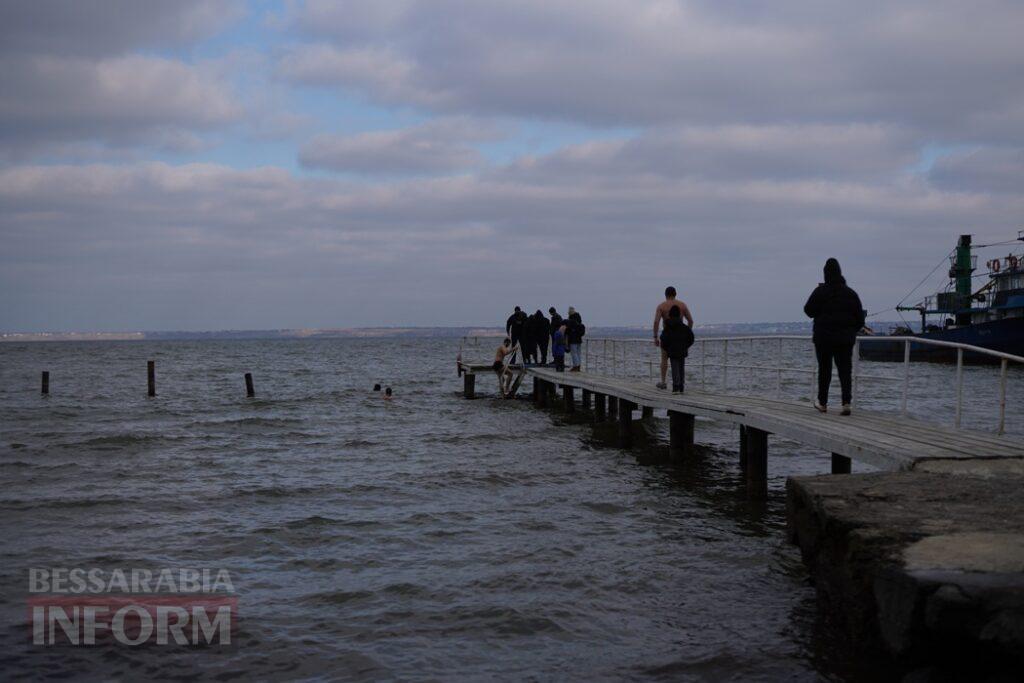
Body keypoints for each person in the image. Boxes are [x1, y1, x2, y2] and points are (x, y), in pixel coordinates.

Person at [803, 258, 866, 415]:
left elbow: (808, 310)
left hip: (823, 338)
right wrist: (850, 330)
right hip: (845, 339)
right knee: (845, 371)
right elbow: (860, 320)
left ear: (825, 274)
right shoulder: (851, 294)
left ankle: (823, 403)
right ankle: (846, 403)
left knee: (825, 370)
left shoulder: (820, 292)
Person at [652, 286, 694, 389]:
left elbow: (656, 321)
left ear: (665, 295)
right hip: (680, 336)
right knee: (680, 360)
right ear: (675, 294)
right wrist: (686, 333)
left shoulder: (661, 306)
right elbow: (690, 321)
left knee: (664, 359)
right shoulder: (682, 305)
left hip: (667, 335)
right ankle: (680, 384)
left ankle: (663, 382)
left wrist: (655, 337)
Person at [659, 305, 694, 393]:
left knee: (674, 367)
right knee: (681, 368)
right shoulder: (684, 328)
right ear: (679, 315)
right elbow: (691, 338)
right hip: (682, 350)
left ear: (670, 315)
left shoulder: (667, 327)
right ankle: (681, 387)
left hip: (672, 350)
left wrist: (667, 348)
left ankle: (676, 387)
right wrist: (686, 346)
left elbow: (663, 339)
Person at [565, 307, 586, 371]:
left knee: (574, 353)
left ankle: (575, 366)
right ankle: (578, 366)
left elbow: (567, 331)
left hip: (573, 339)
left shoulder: (571, 321)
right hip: (579, 339)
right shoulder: (579, 321)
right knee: (578, 353)